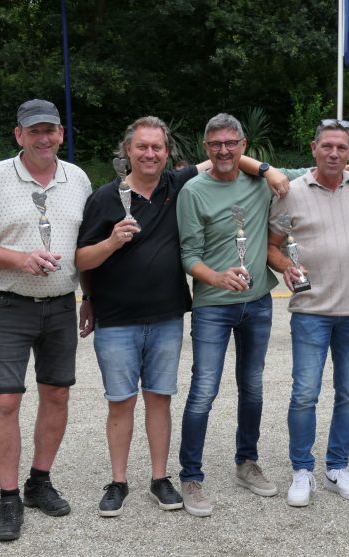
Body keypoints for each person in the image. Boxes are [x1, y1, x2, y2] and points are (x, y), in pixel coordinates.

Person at [76, 116, 287, 517]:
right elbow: (81, 258)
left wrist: (265, 169)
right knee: (120, 403)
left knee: (160, 399)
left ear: (168, 153)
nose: (150, 153)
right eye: (142, 147)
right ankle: (118, 482)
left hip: (167, 315)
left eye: (157, 147)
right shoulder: (106, 197)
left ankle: (160, 479)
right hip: (116, 317)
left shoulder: (177, 185)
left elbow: (225, 158)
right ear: (128, 151)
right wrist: (108, 247)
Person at [176, 113, 349, 517]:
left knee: (256, 387)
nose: (224, 150)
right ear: (206, 147)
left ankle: (258, 463)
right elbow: (191, 253)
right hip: (220, 307)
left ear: (244, 145)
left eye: (231, 143)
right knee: (205, 391)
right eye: (215, 143)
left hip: (271, 303)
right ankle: (193, 475)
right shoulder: (206, 190)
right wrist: (226, 275)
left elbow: (325, 168)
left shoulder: (282, 184)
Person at [0, 99, 92, 541]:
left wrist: (88, 297)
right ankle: (6, 497)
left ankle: (38, 482)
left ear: (61, 133)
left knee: (56, 394)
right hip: (8, 304)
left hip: (60, 303)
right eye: (34, 131)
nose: (44, 138)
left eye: (51, 130)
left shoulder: (76, 178)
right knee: (4, 402)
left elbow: (85, 246)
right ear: (19, 135)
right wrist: (20, 259)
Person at [267, 118, 349, 507]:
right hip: (311, 309)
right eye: (327, 146)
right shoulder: (291, 192)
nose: (334, 153)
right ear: (313, 148)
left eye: (341, 148)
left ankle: (337, 467)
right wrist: (285, 266)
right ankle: (302, 470)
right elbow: (271, 244)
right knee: (304, 394)